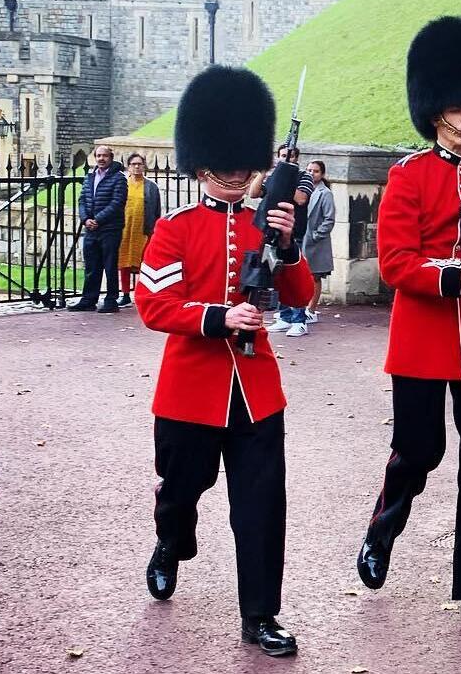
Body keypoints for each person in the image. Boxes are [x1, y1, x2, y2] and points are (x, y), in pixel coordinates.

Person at [136, 65, 314, 656]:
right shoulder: (176, 228)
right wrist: (217, 317)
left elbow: (301, 296)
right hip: (191, 389)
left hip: (257, 389)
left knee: (262, 506)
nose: (239, 176)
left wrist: (288, 247)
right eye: (228, 166)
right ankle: (171, 542)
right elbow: (154, 305)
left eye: (246, 165)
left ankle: (261, 615)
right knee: (182, 489)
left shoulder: (270, 222)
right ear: (204, 164)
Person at [356, 17, 461, 618]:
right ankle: (384, 525)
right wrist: (451, 275)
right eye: (459, 107)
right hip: (424, 337)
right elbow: (394, 263)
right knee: (420, 448)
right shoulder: (409, 175)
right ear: (436, 112)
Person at [257, 144, 314, 333]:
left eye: (289, 156)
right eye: (282, 156)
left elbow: (300, 199)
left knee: (294, 274)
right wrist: (264, 172)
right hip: (271, 229)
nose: (285, 159)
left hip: (293, 231)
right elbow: (254, 192)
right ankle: (284, 316)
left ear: (296, 158)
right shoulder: (274, 175)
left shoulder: (303, 176)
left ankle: (299, 320)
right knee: (276, 274)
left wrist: (287, 177)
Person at [67, 144, 128, 313]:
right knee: (91, 266)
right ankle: (88, 299)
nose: (101, 159)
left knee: (109, 265)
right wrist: (85, 219)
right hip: (91, 229)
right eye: (99, 155)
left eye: (105, 156)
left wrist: (98, 220)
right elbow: (82, 200)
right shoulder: (90, 177)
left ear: (111, 157)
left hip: (110, 228)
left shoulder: (119, 178)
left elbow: (117, 203)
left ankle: (111, 300)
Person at [278, 160, 335, 335]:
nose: (311, 173)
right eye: (309, 170)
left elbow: (329, 219)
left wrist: (316, 235)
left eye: (316, 171)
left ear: (322, 174)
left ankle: (310, 310)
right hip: (300, 236)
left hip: (314, 241)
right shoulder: (303, 189)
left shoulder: (325, 193)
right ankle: (289, 315)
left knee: (314, 275)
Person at [116, 153, 161, 307]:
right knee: (124, 263)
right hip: (124, 228)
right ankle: (125, 294)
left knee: (144, 262)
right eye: (133, 164)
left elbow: (156, 210)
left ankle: (141, 294)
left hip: (143, 229)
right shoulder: (123, 184)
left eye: (139, 164)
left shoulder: (151, 186)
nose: (136, 167)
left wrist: (154, 230)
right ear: (129, 167)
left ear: (144, 166)